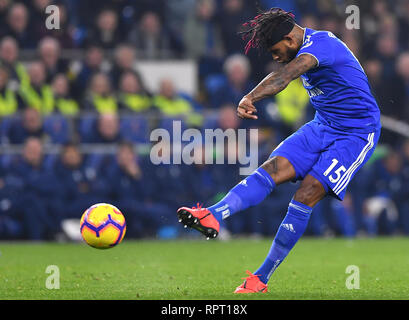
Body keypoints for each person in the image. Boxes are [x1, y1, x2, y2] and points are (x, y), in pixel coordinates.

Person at [176, 8, 381, 293]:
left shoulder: (320, 46)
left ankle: (261, 278)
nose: (275, 56)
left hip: (356, 133)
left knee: (307, 192)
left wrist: (250, 96)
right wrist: (249, 95)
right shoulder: (298, 49)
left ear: (290, 38)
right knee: (270, 169)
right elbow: (280, 73)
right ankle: (212, 215)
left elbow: (284, 77)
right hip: (322, 125)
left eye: (275, 50)